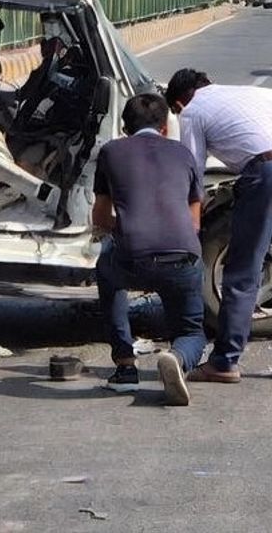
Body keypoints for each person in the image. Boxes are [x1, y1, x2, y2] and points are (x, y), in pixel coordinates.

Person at [164, 68, 272, 383]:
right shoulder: (241, 91)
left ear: (179, 104)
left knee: (243, 270)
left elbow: (193, 171)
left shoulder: (191, 112)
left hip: (269, 173)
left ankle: (225, 360)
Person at [93, 93, 206, 406]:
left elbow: (100, 217)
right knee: (192, 331)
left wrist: (126, 232)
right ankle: (178, 358)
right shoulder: (184, 154)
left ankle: (126, 366)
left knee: (106, 268)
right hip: (183, 255)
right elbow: (195, 218)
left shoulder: (111, 151)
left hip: (134, 257)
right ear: (165, 128)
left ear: (124, 127)